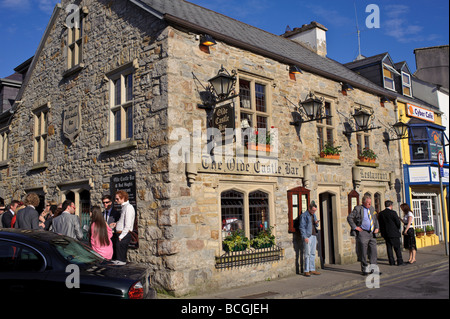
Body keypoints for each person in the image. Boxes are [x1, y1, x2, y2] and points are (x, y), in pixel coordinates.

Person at [347, 194, 380, 275]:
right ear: (363, 202)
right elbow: (349, 218)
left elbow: (375, 219)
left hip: (372, 233)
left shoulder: (372, 209)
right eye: (368, 203)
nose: (370, 204)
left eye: (370, 203)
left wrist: (377, 228)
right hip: (363, 233)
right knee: (363, 252)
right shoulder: (358, 209)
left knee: (373, 252)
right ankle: (365, 269)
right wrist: (355, 227)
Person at [110, 190, 135, 265]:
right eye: (115, 199)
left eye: (117, 199)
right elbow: (123, 221)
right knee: (118, 260)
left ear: (123, 198)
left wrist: (121, 236)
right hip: (120, 235)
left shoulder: (128, 207)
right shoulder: (124, 207)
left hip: (123, 235)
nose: (116, 200)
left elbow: (128, 225)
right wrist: (116, 224)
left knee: (121, 262)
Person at [378, 200, 405, 266]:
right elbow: (397, 222)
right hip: (394, 233)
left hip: (386, 233)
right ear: (391, 205)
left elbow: (380, 224)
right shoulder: (393, 213)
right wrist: (397, 228)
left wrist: (382, 232)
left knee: (389, 248)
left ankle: (391, 262)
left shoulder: (381, 213)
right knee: (397, 248)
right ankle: (399, 261)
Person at [299, 201, 321, 277]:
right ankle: (306, 270)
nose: (314, 212)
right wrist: (305, 237)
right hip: (308, 236)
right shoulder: (304, 216)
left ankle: (312, 269)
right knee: (307, 254)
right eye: (313, 210)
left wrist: (316, 222)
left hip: (314, 235)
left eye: (315, 210)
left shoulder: (313, 215)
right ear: (309, 209)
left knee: (313, 253)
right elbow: (302, 227)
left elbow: (317, 225)